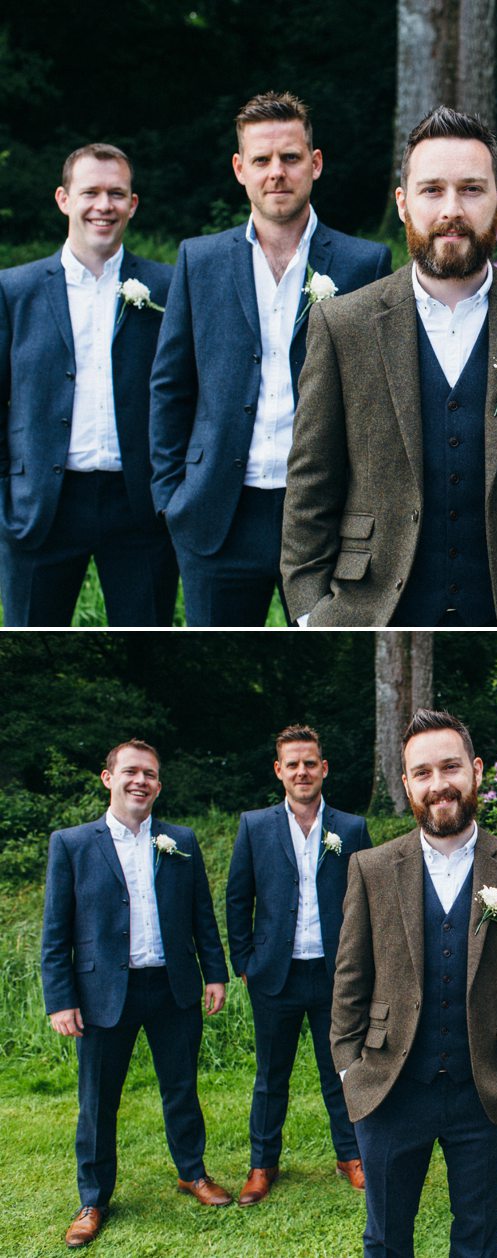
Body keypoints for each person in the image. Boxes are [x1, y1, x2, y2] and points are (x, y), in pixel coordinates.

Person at [281, 105, 497, 627]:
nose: (452, 209)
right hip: (372, 608)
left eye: (471, 190)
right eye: (432, 190)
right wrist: (310, 612)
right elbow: (311, 484)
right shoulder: (343, 326)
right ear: (403, 203)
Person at [150, 91, 391, 626]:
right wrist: (172, 496)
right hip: (217, 513)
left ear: (315, 163)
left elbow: (379, 397)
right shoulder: (199, 260)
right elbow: (171, 385)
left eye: (290, 157)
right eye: (261, 160)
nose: (276, 172)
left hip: (325, 516)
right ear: (240, 169)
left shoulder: (364, 264)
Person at [330, 708, 497, 1256]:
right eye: (422, 773)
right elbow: (350, 977)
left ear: (476, 771)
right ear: (407, 785)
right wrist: (349, 1067)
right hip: (389, 1087)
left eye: (450, 767)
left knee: (478, 1237)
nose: (439, 784)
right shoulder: (371, 868)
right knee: (386, 1237)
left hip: (487, 1089)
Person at [41, 740, 231, 1249]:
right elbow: (56, 931)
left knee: (181, 1088)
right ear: (109, 778)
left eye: (149, 774)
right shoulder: (72, 844)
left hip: (172, 986)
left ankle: (192, 1173)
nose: (139, 781)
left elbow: (201, 914)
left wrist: (215, 973)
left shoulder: (180, 840)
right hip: (102, 993)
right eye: (130, 772)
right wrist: (60, 999)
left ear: (158, 785)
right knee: (97, 1101)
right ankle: (93, 1199)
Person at [0, 144, 177, 626]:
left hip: (138, 505)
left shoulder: (166, 287)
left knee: (146, 643)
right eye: (90, 192)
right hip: (41, 506)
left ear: (133, 204)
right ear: (64, 199)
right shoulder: (15, 290)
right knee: (30, 644)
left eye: (116, 194)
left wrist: (172, 494)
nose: (104, 205)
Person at [225, 724, 372, 1204]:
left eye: (310, 763)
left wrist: (363, 964)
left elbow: (368, 900)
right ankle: (262, 1164)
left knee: (342, 1071)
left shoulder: (351, 829)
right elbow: (238, 897)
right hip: (275, 974)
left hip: (335, 975)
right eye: (293, 764)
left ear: (324, 768)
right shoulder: (255, 826)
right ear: (279, 770)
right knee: (272, 1077)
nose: (302, 771)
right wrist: (244, 961)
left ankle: (351, 1156)